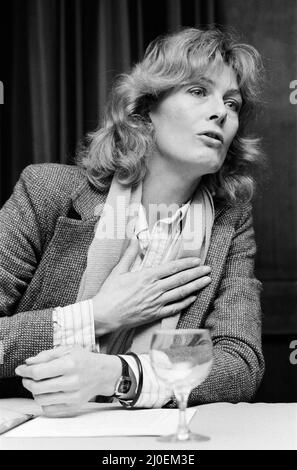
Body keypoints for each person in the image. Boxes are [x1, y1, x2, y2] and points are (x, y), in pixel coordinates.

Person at [0, 27, 265, 416]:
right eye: (198, 91)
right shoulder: (47, 192)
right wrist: (96, 316)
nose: (220, 111)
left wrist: (119, 374)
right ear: (146, 108)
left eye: (233, 102)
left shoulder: (229, 223)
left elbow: (239, 362)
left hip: (155, 440)